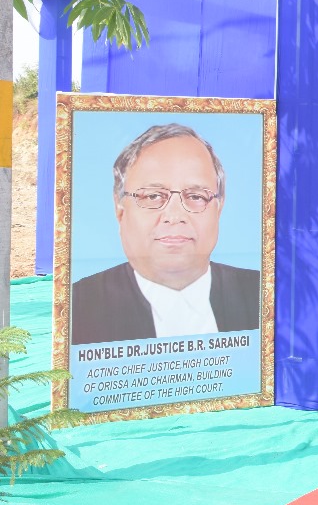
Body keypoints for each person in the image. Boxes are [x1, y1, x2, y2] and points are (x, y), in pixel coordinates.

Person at [71, 124, 260, 345]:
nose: (174, 216)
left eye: (196, 196)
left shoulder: (265, 293)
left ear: (219, 207)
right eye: (153, 196)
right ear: (119, 208)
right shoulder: (76, 307)